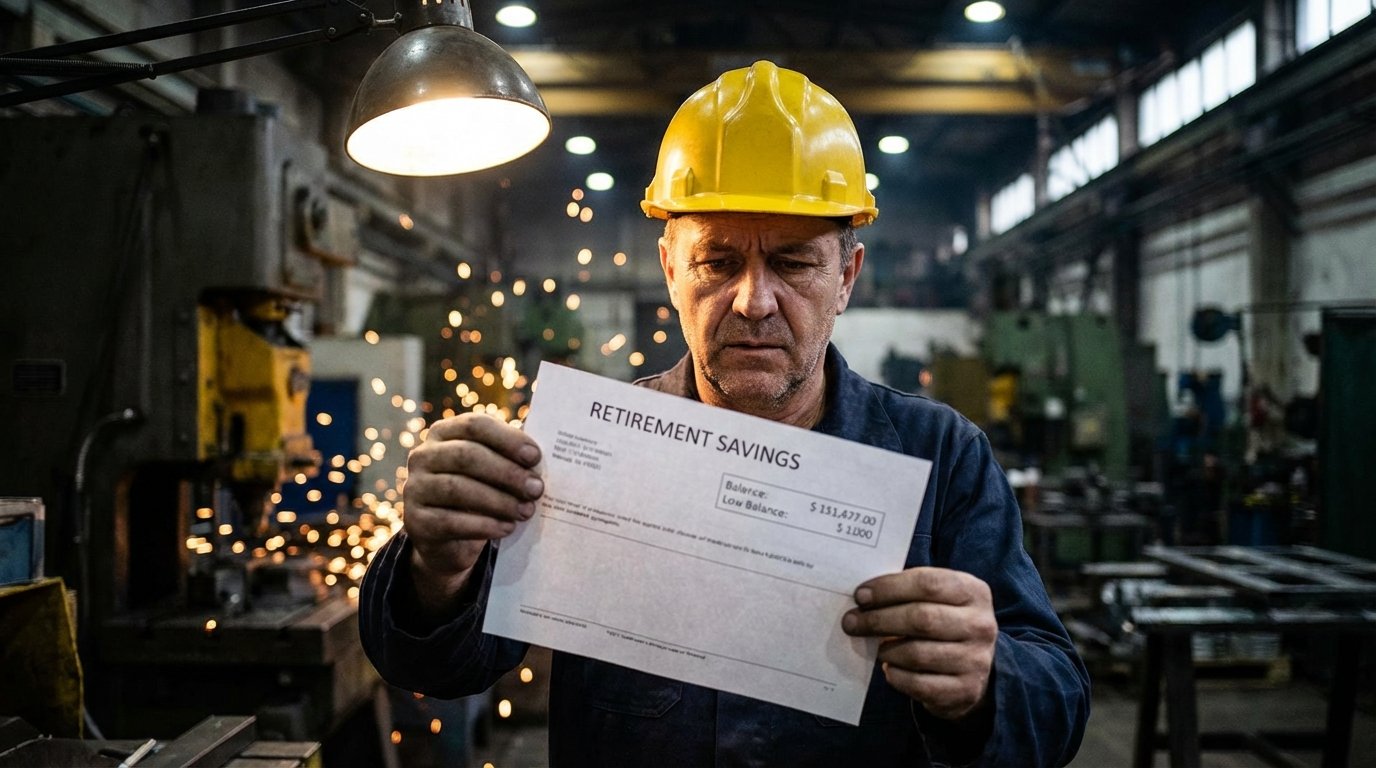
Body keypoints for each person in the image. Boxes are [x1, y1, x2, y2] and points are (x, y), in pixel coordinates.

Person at [360, 60, 1090, 767]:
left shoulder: (941, 459)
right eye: (717, 261)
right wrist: (439, 569)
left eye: (795, 263)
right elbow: (441, 666)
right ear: (673, 269)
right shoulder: (585, 453)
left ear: (848, 278)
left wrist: (987, 681)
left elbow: (1057, 708)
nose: (753, 301)